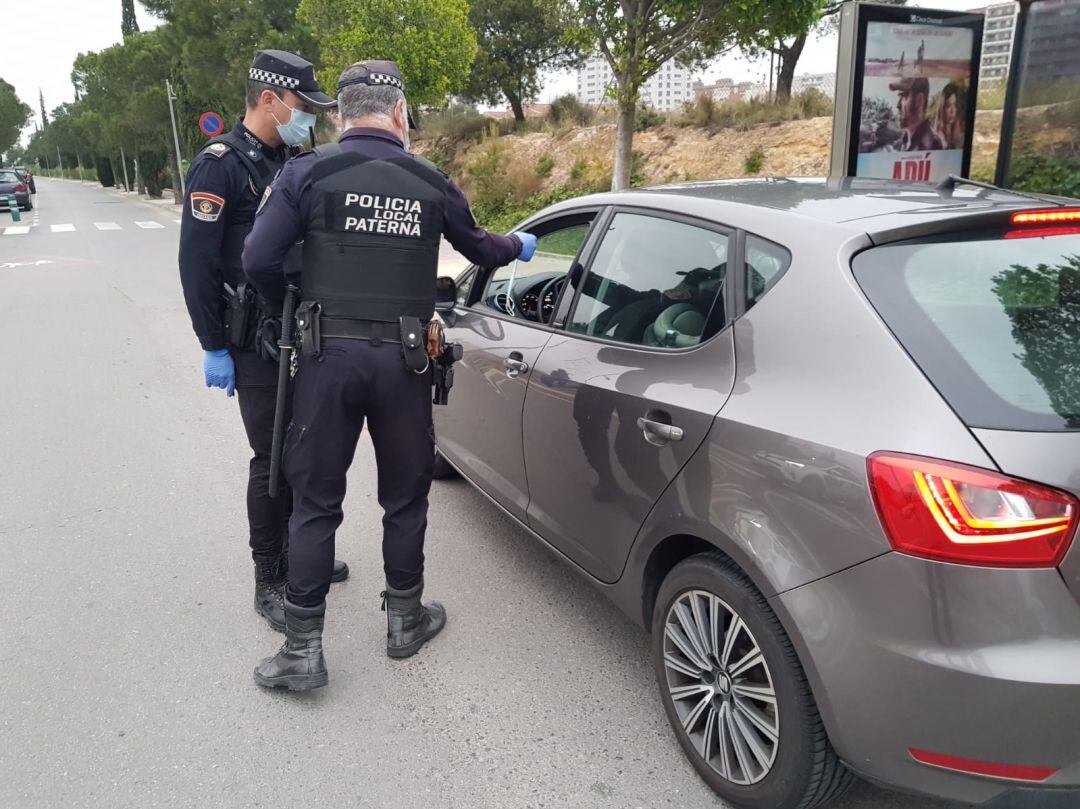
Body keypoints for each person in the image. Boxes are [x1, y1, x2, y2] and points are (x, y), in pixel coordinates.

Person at [242, 60, 537, 691]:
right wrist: (520, 247)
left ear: (342, 115)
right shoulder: (428, 178)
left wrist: (288, 304)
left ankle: (302, 650)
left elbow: (258, 258)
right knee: (405, 496)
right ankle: (405, 621)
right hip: (406, 362)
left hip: (325, 358)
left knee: (316, 502)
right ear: (399, 114)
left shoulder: (305, 172)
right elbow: (482, 248)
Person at [178, 50, 349, 636]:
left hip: (301, 328)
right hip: (251, 339)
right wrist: (212, 342)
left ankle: (303, 551)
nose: (311, 120)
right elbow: (196, 263)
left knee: (305, 446)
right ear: (271, 100)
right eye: (304, 107)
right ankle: (270, 575)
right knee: (271, 458)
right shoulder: (220, 166)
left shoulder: (293, 160)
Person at [889, 77, 946, 152]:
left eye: (904, 96)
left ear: (919, 100)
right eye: (900, 96)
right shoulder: (901, 144)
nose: (898, 105)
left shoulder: (933, 144)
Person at [935, 82, 965, 150]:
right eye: (948, 106)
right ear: (942, 108)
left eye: (955, 105)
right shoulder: (937, 139)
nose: (952, 111)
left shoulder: (961, 137)